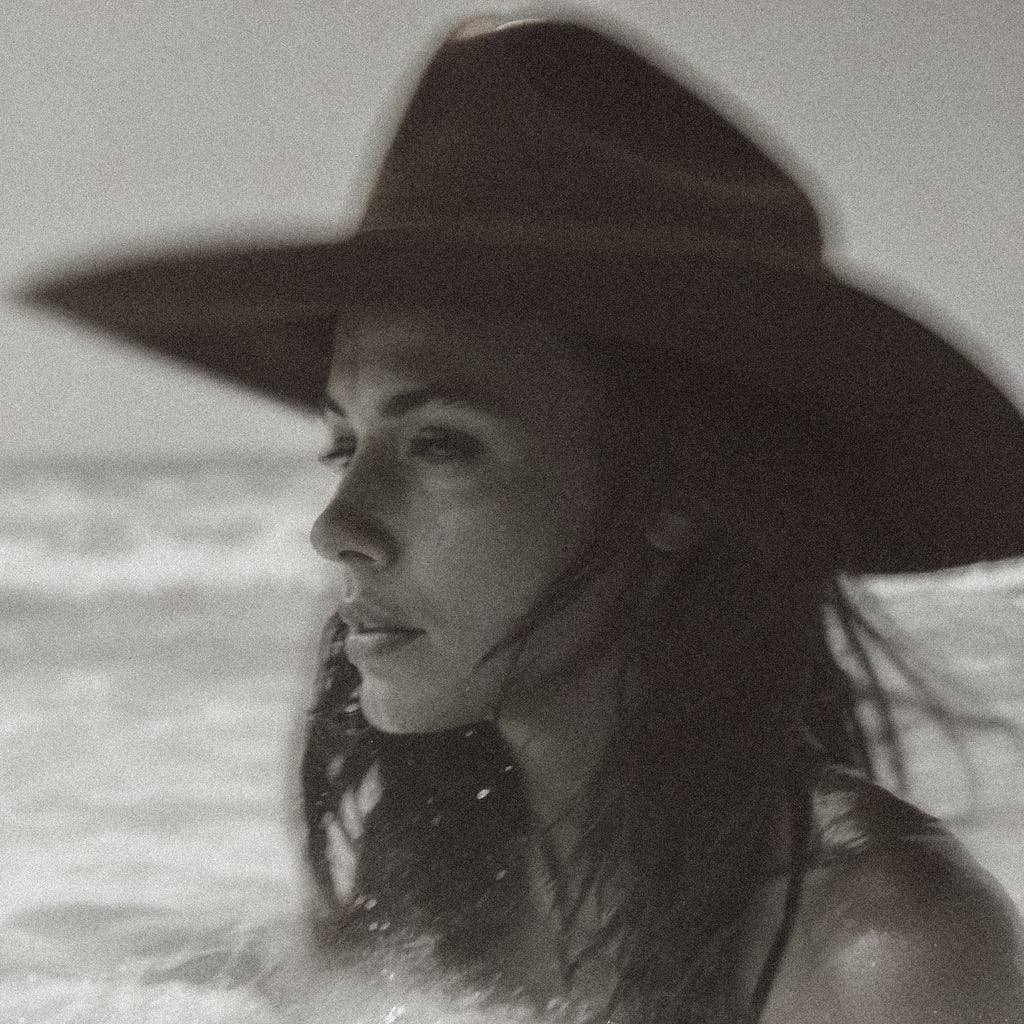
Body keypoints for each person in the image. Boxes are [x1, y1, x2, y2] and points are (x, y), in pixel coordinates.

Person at [23, 14, 1024, 1023]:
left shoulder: (884, 956)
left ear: (676, 494)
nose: (338, 526)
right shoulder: (430, 886)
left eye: (438, 444)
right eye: (343, 443)